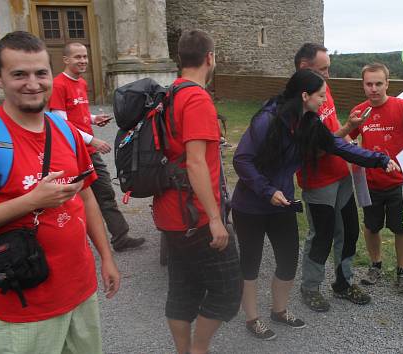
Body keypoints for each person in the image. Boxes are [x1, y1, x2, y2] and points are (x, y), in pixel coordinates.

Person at [232, 69, 399, 340]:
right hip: (251, 205)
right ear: (305, 95)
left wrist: (378, 159)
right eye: (321, 95)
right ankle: (252, 319)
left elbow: (338, 146)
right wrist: (266, 190)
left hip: (282, 202)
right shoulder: (267, 121)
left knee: (288, 261)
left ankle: (279, 310)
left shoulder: (308, 121)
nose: (325, 100)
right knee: (250, 263)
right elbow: (241, 160)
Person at [0, 31, 120, 353]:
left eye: (40, 73)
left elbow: (86, 196)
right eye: (19, 74)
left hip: (80, 289)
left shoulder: (63, 130)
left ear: (51, 75)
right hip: (25, 301)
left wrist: (106, 257)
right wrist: (33, 200)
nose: (32, 83)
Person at [152, 29, 242, 354]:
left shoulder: (169, 93)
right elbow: (195, 164)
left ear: (179, 59)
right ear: (210, 58)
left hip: (169, 211)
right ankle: (198, 350)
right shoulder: (197, 97)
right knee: (229, 292)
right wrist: (216, 220)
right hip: (196, 216)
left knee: (183, 288)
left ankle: (183, 351)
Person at [294, 43, 370, 312]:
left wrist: (350, 139)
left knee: (349, 230)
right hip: (318, 182)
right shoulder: (297, 106)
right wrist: (347, 130)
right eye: (323, 69)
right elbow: (317, 145)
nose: (328, 74)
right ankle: (310, 287)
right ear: (305, 67)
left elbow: (333, 127)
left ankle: (343, 283)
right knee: (322, 235)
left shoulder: (324, 90)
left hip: (341, 174)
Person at [48, 42, 145, 252]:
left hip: (88, 152)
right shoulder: (58, 85)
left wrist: (93, 118)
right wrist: (93, 140)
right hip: (72, 154)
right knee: (75, 200)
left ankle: (120, 237)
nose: (83, 61)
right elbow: (61, 125)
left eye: (85, 56)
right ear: (66, 60)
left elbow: (76, 113)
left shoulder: (81, 83)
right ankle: (73, 245)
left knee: (105, 193)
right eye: (77, 57)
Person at [349, 63, 403, 293]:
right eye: (369, 84)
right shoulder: (360, 111)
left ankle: (402, 273)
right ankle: (375, 265)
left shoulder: (400, 106)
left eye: (378, 83)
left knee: (402, 229)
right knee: (371, 227)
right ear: (363, 85)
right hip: (371, 183)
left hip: (399, 184)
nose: (374, 88)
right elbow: (347, 135)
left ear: (387, 83)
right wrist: (348, 141)